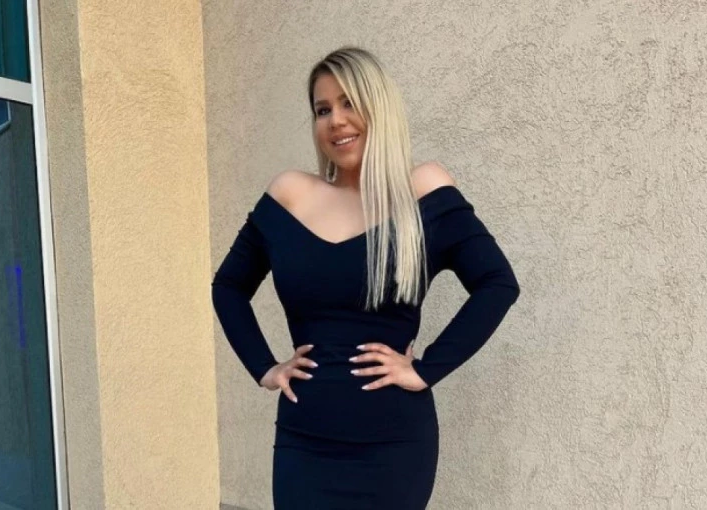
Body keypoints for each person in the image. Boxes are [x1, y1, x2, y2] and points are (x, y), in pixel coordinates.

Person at [211, 46, 520, 510]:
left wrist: (426, 368)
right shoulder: (289, 194)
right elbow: (228, 286)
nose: (336, 120)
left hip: (393, 448)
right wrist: (265, 367)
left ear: (380, 107)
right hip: (303, 444)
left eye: (349, 102)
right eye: (322, 109)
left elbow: (497, 282)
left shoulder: (424, 191)